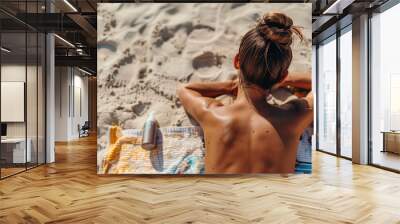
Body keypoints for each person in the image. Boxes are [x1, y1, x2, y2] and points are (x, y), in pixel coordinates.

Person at [177, 12, 313, 174]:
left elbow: (185, 89)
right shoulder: (294, 117)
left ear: (237, 61)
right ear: (282, 76)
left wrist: (229, 86)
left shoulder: (212, 114)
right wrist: (285, 79)